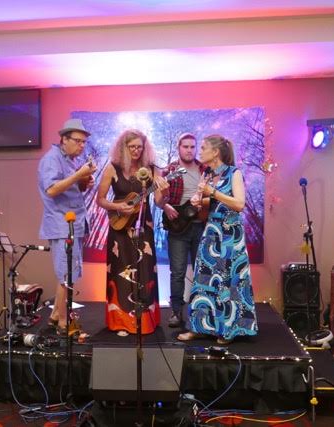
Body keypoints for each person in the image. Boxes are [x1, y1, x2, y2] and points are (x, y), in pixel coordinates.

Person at [177, 134, 258, 345]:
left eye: (203, 148)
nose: (200, 151)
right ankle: (200, 327)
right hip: (211, 232)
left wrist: (212, 192)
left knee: (227, 281)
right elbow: (210, 202)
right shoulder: (207, 174)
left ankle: (227, 329)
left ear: (215, 152)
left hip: (230, 234)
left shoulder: (234, 173)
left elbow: (239, 204)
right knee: (203, 280)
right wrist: (199, 201)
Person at [96, 129, 166, 336]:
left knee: (145, 271)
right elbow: (100, 200)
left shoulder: (152, 169)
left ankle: (145, 321)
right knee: (121, 272)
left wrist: (164, 190)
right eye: (132, 147)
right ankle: (121, 322)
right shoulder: (113, 168)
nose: (136, 150)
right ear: (123, 147)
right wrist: (117, 206)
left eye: (140, 147)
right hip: (120, 228)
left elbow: (159, 201)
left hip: (144, 226)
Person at [38, 118, 97, 334]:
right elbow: (52, 190)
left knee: (68, 274)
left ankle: (55, 315)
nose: (81, 146)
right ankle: (64, 323)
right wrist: (78, 175)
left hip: (73, 223)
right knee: (66, 275)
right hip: (62, 224)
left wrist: (83, 182)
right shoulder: (51, 159)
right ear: (64, 139)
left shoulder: (70, 160)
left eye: (84, 142)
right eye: (77, 141)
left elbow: (70, 189)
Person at [157, 133, 207, 328]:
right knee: (177, 272)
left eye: (192, 147)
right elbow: (158, 200)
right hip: (178, 227)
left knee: (201, 270)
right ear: (179, 148)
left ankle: (201, 312)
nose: (189, 150)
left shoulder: (205, 169)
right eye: (185, 146)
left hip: (201, 225)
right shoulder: (170, 170)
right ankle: (176, 312)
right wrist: (165, 206)